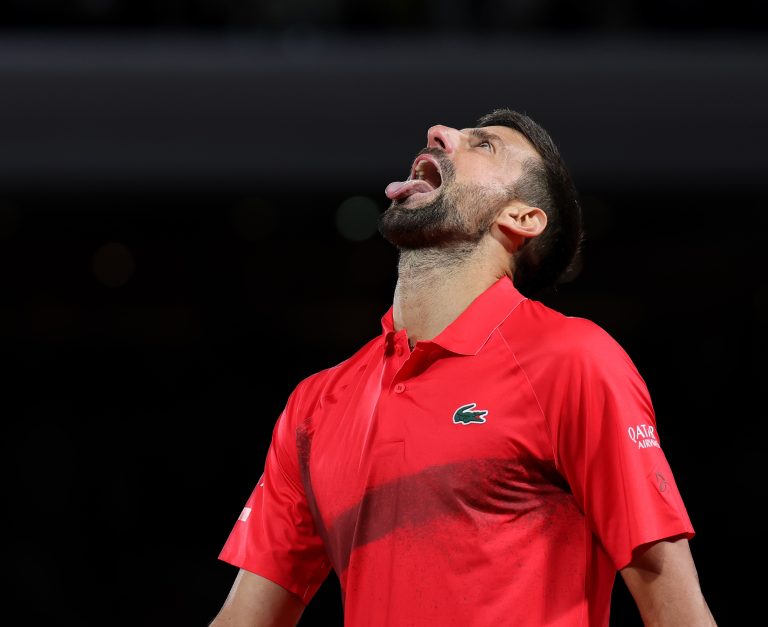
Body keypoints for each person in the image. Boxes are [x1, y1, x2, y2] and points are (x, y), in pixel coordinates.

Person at [209, 108, 717, 626]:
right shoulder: (316, 404)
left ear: (521, 217)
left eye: (485, 146)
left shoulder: (572, 360)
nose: (437, 132)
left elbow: (675, 607)